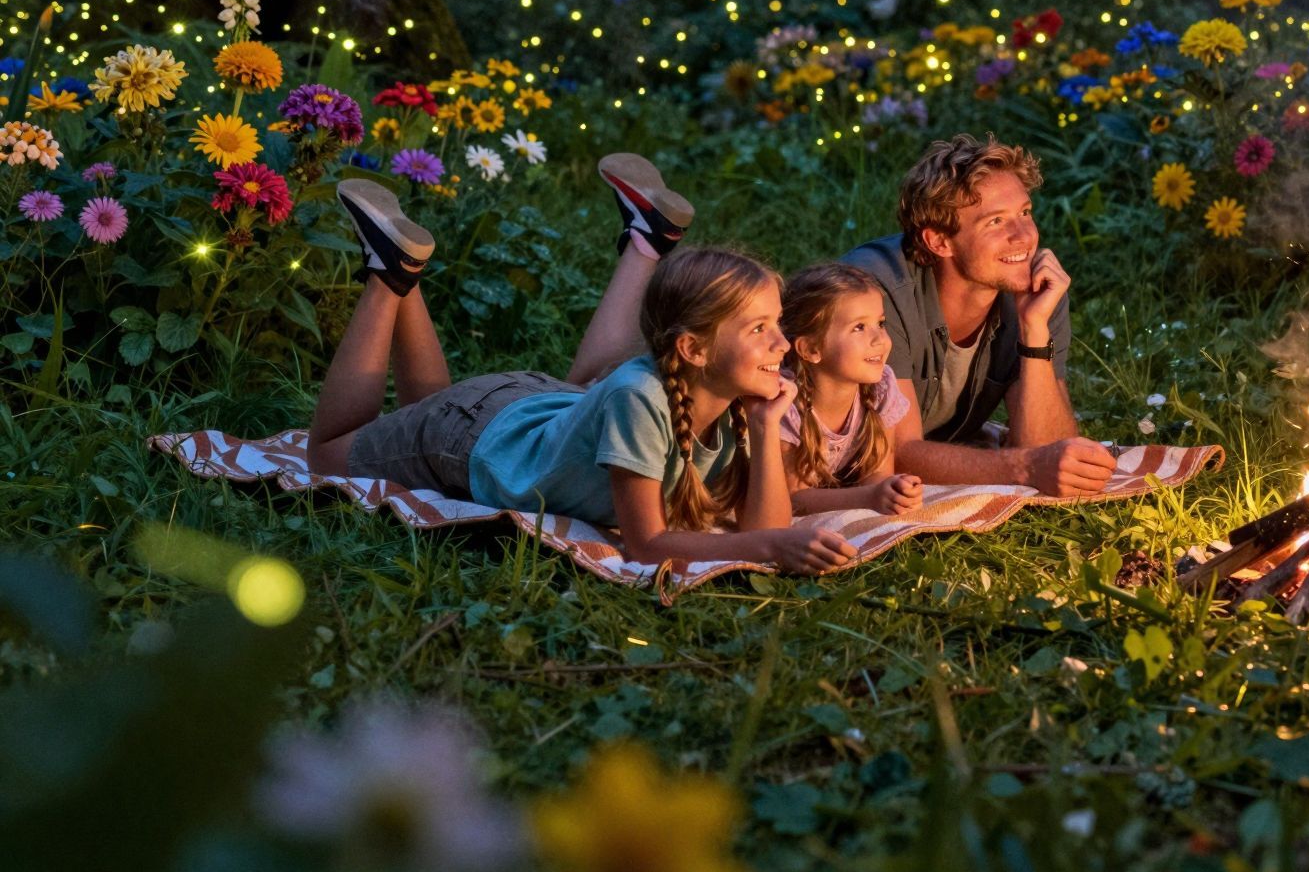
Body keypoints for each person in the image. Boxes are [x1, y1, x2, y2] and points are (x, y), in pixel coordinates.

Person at [307, 178, 856, 573]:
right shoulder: (641, 397)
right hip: (476, 439)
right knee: (328, 459)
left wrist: (763, 431)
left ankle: (402, 270)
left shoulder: (737, 398)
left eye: (776, 324)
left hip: (527, 404)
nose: (781, 344)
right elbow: (646, 545)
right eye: (759, 328)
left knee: (427, 413)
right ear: (692, 349)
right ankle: (387, 279)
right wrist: (767, 550)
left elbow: (764, 527)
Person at [843, 134, 1116, 496]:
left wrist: (1034, 331)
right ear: (939, 241)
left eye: (1024, 213)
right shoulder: (876, 293)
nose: (1023, 236)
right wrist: (1025, 467)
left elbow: (1049, 451)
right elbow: (897, 454)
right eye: (995, 222)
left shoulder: (1035, 291)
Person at [775, 261, 925, 514]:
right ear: (811, 349)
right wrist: (868, 497)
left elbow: (876, 473)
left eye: (880, 323)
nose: (880, 340)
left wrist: (893, 490)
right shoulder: (784, 403)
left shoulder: (881, 388)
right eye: (859, 327)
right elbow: (794, 499)